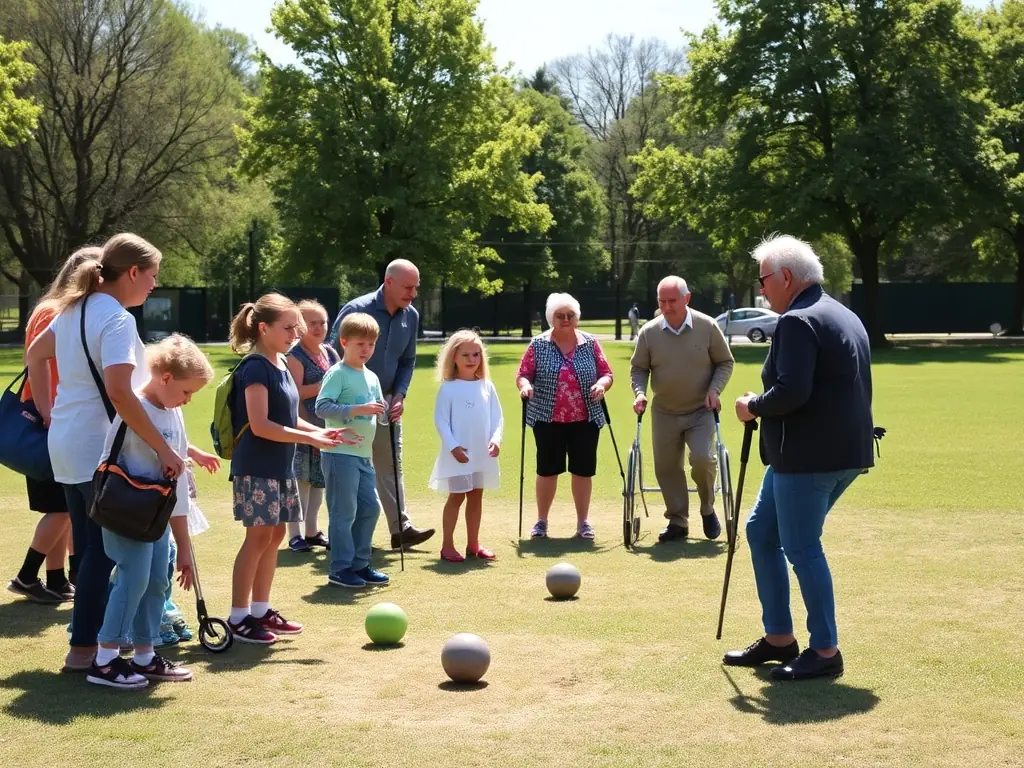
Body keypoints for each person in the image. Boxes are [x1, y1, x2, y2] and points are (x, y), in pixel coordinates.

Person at [27, 233, 184, 674]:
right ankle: (89, 652)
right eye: (152, 276)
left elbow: (35, 356)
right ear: (131, 272)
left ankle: (96, 649)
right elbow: (121, 392)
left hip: (68, 445)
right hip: (99, 450)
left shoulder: (74, 310)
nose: (154, 285)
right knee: (101, 553)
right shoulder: (115, 318)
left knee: (93, 548)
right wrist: (163, 447)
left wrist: (47, 411)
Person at [726, 235, 875, 681]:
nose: (761, 290)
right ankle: (779, 638)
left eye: (764, 280)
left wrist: (752, 405)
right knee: (760, 532)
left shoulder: (796, 321)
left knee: (802, 547)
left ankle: (825, 650)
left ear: (786, 277)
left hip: (808, 457)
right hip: (839, 452)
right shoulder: (842, 313)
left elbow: (792, 392)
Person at [226, 294, 358, 644]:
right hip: (257, 467)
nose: (295, 334)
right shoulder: (255, 367)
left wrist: (320, 430)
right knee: (258, 537)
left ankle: (260, 610)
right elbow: (260, 425)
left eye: (296, 327)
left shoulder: (281, 363)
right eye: (288, 328)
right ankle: (239, 617)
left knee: (275, 535)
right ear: (263, 328)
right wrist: (312, 440)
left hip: (279, 466)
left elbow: (289, 417)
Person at [87, 334, 215, 689]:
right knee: (134, 578)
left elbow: (175, 482)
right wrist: (170, 454)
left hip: (155, 515)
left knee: (158, 578)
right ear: (166, 378)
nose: (188, 401)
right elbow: (141, 446)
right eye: (187, 392)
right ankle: (105, 658)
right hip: (125, 510)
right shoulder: (135, 406)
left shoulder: (171, 409)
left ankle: (145, 654)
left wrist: (185, 547)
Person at [7, 248, 96, 604]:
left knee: (63, 507)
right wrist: (48, 412)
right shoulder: (53, 311)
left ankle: (57, 578)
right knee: (61, 507)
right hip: (50, 417)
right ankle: (27, 576)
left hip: (59, 416)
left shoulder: (60, 310)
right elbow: (39, 363)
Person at [328, 259, 435, 550]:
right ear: (389, 282)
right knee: (352, 467)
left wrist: (399, 393)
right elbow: (332, 355)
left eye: (416, 288)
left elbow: (407, 360)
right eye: (408, 287)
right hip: (349, 409)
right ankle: (345, 537)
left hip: (387, 404)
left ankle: (401, 529)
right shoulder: (355, 310)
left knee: (389, 466)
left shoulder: (410, 316)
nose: (413, 294)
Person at [630, 276, 734, 543]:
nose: (666, 307)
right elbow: (639, 368)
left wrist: (715, 390)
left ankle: (708, 508)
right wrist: (639, 392)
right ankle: (678, 521)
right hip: (664, 410)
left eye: (672, 301)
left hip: (701, 410)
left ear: (687, 299)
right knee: (666, 467)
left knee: (702, 458)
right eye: (661, 301)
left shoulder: (707, 326)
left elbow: (725, 362)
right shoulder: (649, 332)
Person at [516, 293, 613, 540]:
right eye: (560, 316)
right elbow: (523, 373)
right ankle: (541, 522)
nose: (566, 319)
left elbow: (606, 373)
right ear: (552, 318)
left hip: (586, 417)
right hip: (547, 417)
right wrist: (525, 386)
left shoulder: (590, 343)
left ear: (577, 318)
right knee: (547, 470)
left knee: (583, 471)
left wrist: (602, 385)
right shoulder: (538, 344)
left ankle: (583, 523)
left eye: (571, 315)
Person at [315, 313, 389, 589]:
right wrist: (359, 409)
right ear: (344, 342)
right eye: (360, 344)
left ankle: (360, 564)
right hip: (338, 454)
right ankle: (340, 568)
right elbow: (322, 407)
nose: (366, 349)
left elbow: (377, 414)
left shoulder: (371, 376)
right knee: (343, 512)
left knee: (370, 509)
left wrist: (385, 413)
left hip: (362, 456)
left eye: (370, 344)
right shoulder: (337, 373)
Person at [429, 330, 503, 562]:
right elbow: (441, 419)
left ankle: (474, 544)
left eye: (476, 354)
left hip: (482, 453)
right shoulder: (448, 388)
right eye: (466, 355)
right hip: (458, 454)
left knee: (476, 496)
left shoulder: (486, 386)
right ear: (454, 357)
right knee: (456, 497)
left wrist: (496, 439)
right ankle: (447, 545)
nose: (472, 360)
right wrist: (453, 447)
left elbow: (497, 417)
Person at [285, 300, 340, 553]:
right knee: (301, 483)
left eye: (322, 322)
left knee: (319, 482)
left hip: (326, 428)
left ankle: (312, 530)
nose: (318, 328)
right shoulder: (295, 356)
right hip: (303, 429)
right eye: (311, 323)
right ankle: (295, 535)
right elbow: (294, 393)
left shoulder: (330, 352)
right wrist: (323, 387)